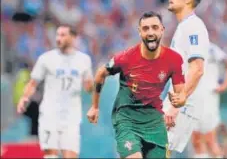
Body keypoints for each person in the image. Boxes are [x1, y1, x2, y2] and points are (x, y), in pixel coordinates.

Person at [87, 11, 186, 159]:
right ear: (139, 32)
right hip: (127, 120)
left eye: (154, 27)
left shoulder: (174, 59)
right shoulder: (126, 57)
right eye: (146, 28)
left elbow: (181, 93)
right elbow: (101, 73)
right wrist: (94, 106)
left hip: (155, 122)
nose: (150, 32)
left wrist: (178, 103)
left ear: (162, 30)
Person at [17, 25, 93, 158]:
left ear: (73, 38)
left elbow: (88, 87)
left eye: (63, 35)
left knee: (70, 155)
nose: (59, 38)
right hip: (50, 114)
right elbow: (33, 82)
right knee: (50, 155)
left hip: (71, 116)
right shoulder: (46, 59)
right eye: (58, 35)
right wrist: (24, 97)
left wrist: (95, 84)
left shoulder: (84, 60)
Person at [162, 0, 210, 154]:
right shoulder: (184, 26)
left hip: (183, 101)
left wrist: (176, 105)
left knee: (156, 149)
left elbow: (197, 69)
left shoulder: (194, 26)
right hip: (178, 98)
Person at [191, 42, 227, 158]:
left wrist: (225, 84)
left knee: (210, 139)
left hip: (208, 97)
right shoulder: (184, 46)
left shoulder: (210, 48)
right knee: (196, 140)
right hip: (192, 98)